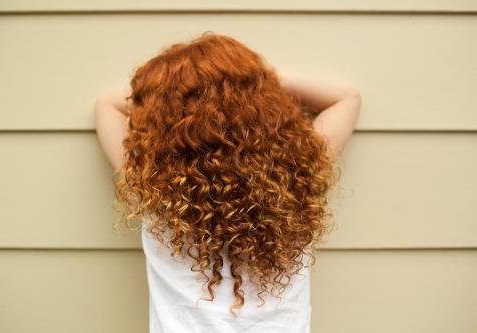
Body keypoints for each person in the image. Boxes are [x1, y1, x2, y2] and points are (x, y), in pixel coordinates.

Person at [94, 32, 361, 333]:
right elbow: (346, 98)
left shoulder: (155, 189)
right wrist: (250, 81)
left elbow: (108, 105)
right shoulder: (295, 179)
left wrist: (181, 89)